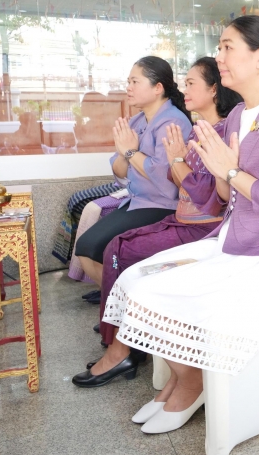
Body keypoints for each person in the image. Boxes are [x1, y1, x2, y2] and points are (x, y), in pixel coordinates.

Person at [73, 16, 259, 435]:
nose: (219, 56)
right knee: (135, 279)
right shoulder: (241, 113)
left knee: (151, 289)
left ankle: (192, 380)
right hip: (236, 237)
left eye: (227, 47)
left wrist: (232, 170)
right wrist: (221, 173)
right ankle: (186, 377)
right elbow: (225, 198)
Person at [90, 57, 242, 355]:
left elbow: (208, 198)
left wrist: (173, 160)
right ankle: (124, 331)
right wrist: (175, 160)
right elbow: (179, 181)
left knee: (118, 250)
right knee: (115, 246)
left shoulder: (220, 132)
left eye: (191, 83)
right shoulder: (198, 130)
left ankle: (121, 347)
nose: (183, 90)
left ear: (214, 90)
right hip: (181, 219)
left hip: (202, 227)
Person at [74, 56, 193, 288]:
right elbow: (120, 173)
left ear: (158, 88)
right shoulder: (138, 120)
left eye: (135, 82)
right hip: (136, 201)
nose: (128, 87)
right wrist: (123, 153)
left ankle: (121, 307)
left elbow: (166, 181)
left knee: (90, 248)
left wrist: (130, 152)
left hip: (161, 205)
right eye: (128, 81)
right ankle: (117, 304)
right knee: (87, 248)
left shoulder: (173, 122)